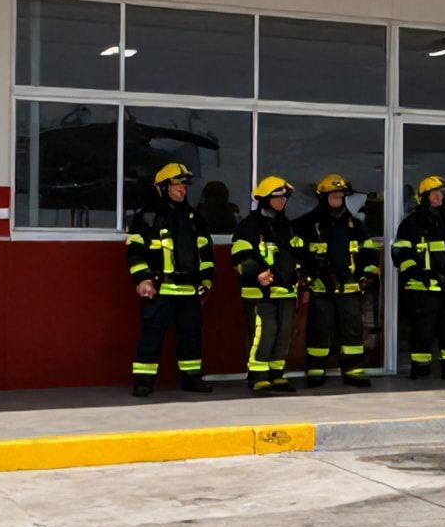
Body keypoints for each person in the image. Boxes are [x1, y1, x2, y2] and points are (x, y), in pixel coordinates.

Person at [124, 163, 217, 397]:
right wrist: (143, 279)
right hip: (160, 289)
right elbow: (135, 252)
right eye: (177, 185)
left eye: (184, 186)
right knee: (151, 336)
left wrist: (206, 282)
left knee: (191, 337)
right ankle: (143, 381)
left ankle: (191, 378)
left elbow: (206, 253)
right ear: (163, 187)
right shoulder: (147, 217)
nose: (183, 190)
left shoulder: (194, 218)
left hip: (190, 291)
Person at [298, 174, 379, 388]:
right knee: (319, 330)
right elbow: (298, 254)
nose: (339, 199)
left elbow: (368, 252)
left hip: (350, 288)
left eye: (341, 196)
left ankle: (353, 371)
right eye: (334, 196)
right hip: (322, 288)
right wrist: (309, 274)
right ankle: (316, 371)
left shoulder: (355, 225)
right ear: (323, 197)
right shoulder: (307, 224)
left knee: (352, 331)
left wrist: (368, 274)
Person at [392, 175, 445, 380]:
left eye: (442, 194)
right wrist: (418, 273)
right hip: (424, 288)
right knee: (422, 331)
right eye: (435, 194)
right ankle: (420, 367)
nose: (440, 198)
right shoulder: (410, 224)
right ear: (424, 197)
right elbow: (400, 253)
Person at [232, 176, 306, 395]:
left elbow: (298, 254)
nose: (282, 201)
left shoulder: (287, 226)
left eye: (284, 197)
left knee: (284, 334)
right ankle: (258, 376)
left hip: (286, 291)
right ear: (265, 200)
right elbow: (240, 255)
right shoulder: (249, 226)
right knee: (265, 333)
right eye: (277, 197)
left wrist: (300, 276)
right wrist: (257, 273)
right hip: (260, 293)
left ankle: (277, 374)